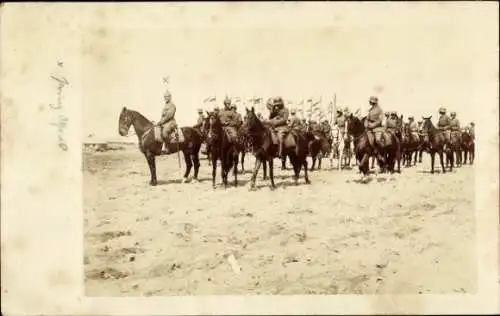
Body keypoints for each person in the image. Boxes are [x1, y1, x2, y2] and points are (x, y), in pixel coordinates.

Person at [156, 89, 177, 154]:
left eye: (167, 96)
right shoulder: (165, 105)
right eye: (165, 97)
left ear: (170, 97)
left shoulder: (172, 105)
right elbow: (163, 116)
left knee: (164, 132)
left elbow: (169, 116)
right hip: (165, 122)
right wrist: (159, 122)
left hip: (171, 122)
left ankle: (168, 147)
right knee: (157, 130)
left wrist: (161, 122)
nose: (165, 98)